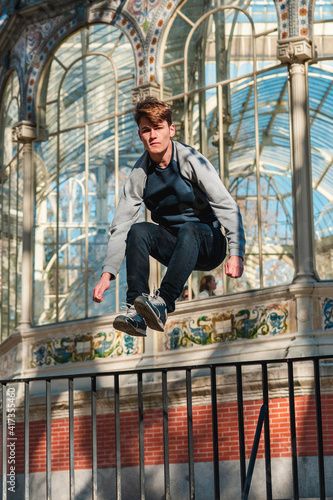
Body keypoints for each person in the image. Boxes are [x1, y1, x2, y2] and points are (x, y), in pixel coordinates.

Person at [93, 97, 245, 337]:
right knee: (138, 231)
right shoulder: (139, 174)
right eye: (146, 130)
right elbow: (121, 225)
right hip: (177, 248)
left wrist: (236, 252)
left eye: (158, 128)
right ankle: (136, 312)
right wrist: (107, 274)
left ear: (170, 130)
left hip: (209, 243)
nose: (152, 135)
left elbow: (225, 205)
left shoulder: (191, 160)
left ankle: (163, 302)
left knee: (190, 228)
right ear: (140, 135)